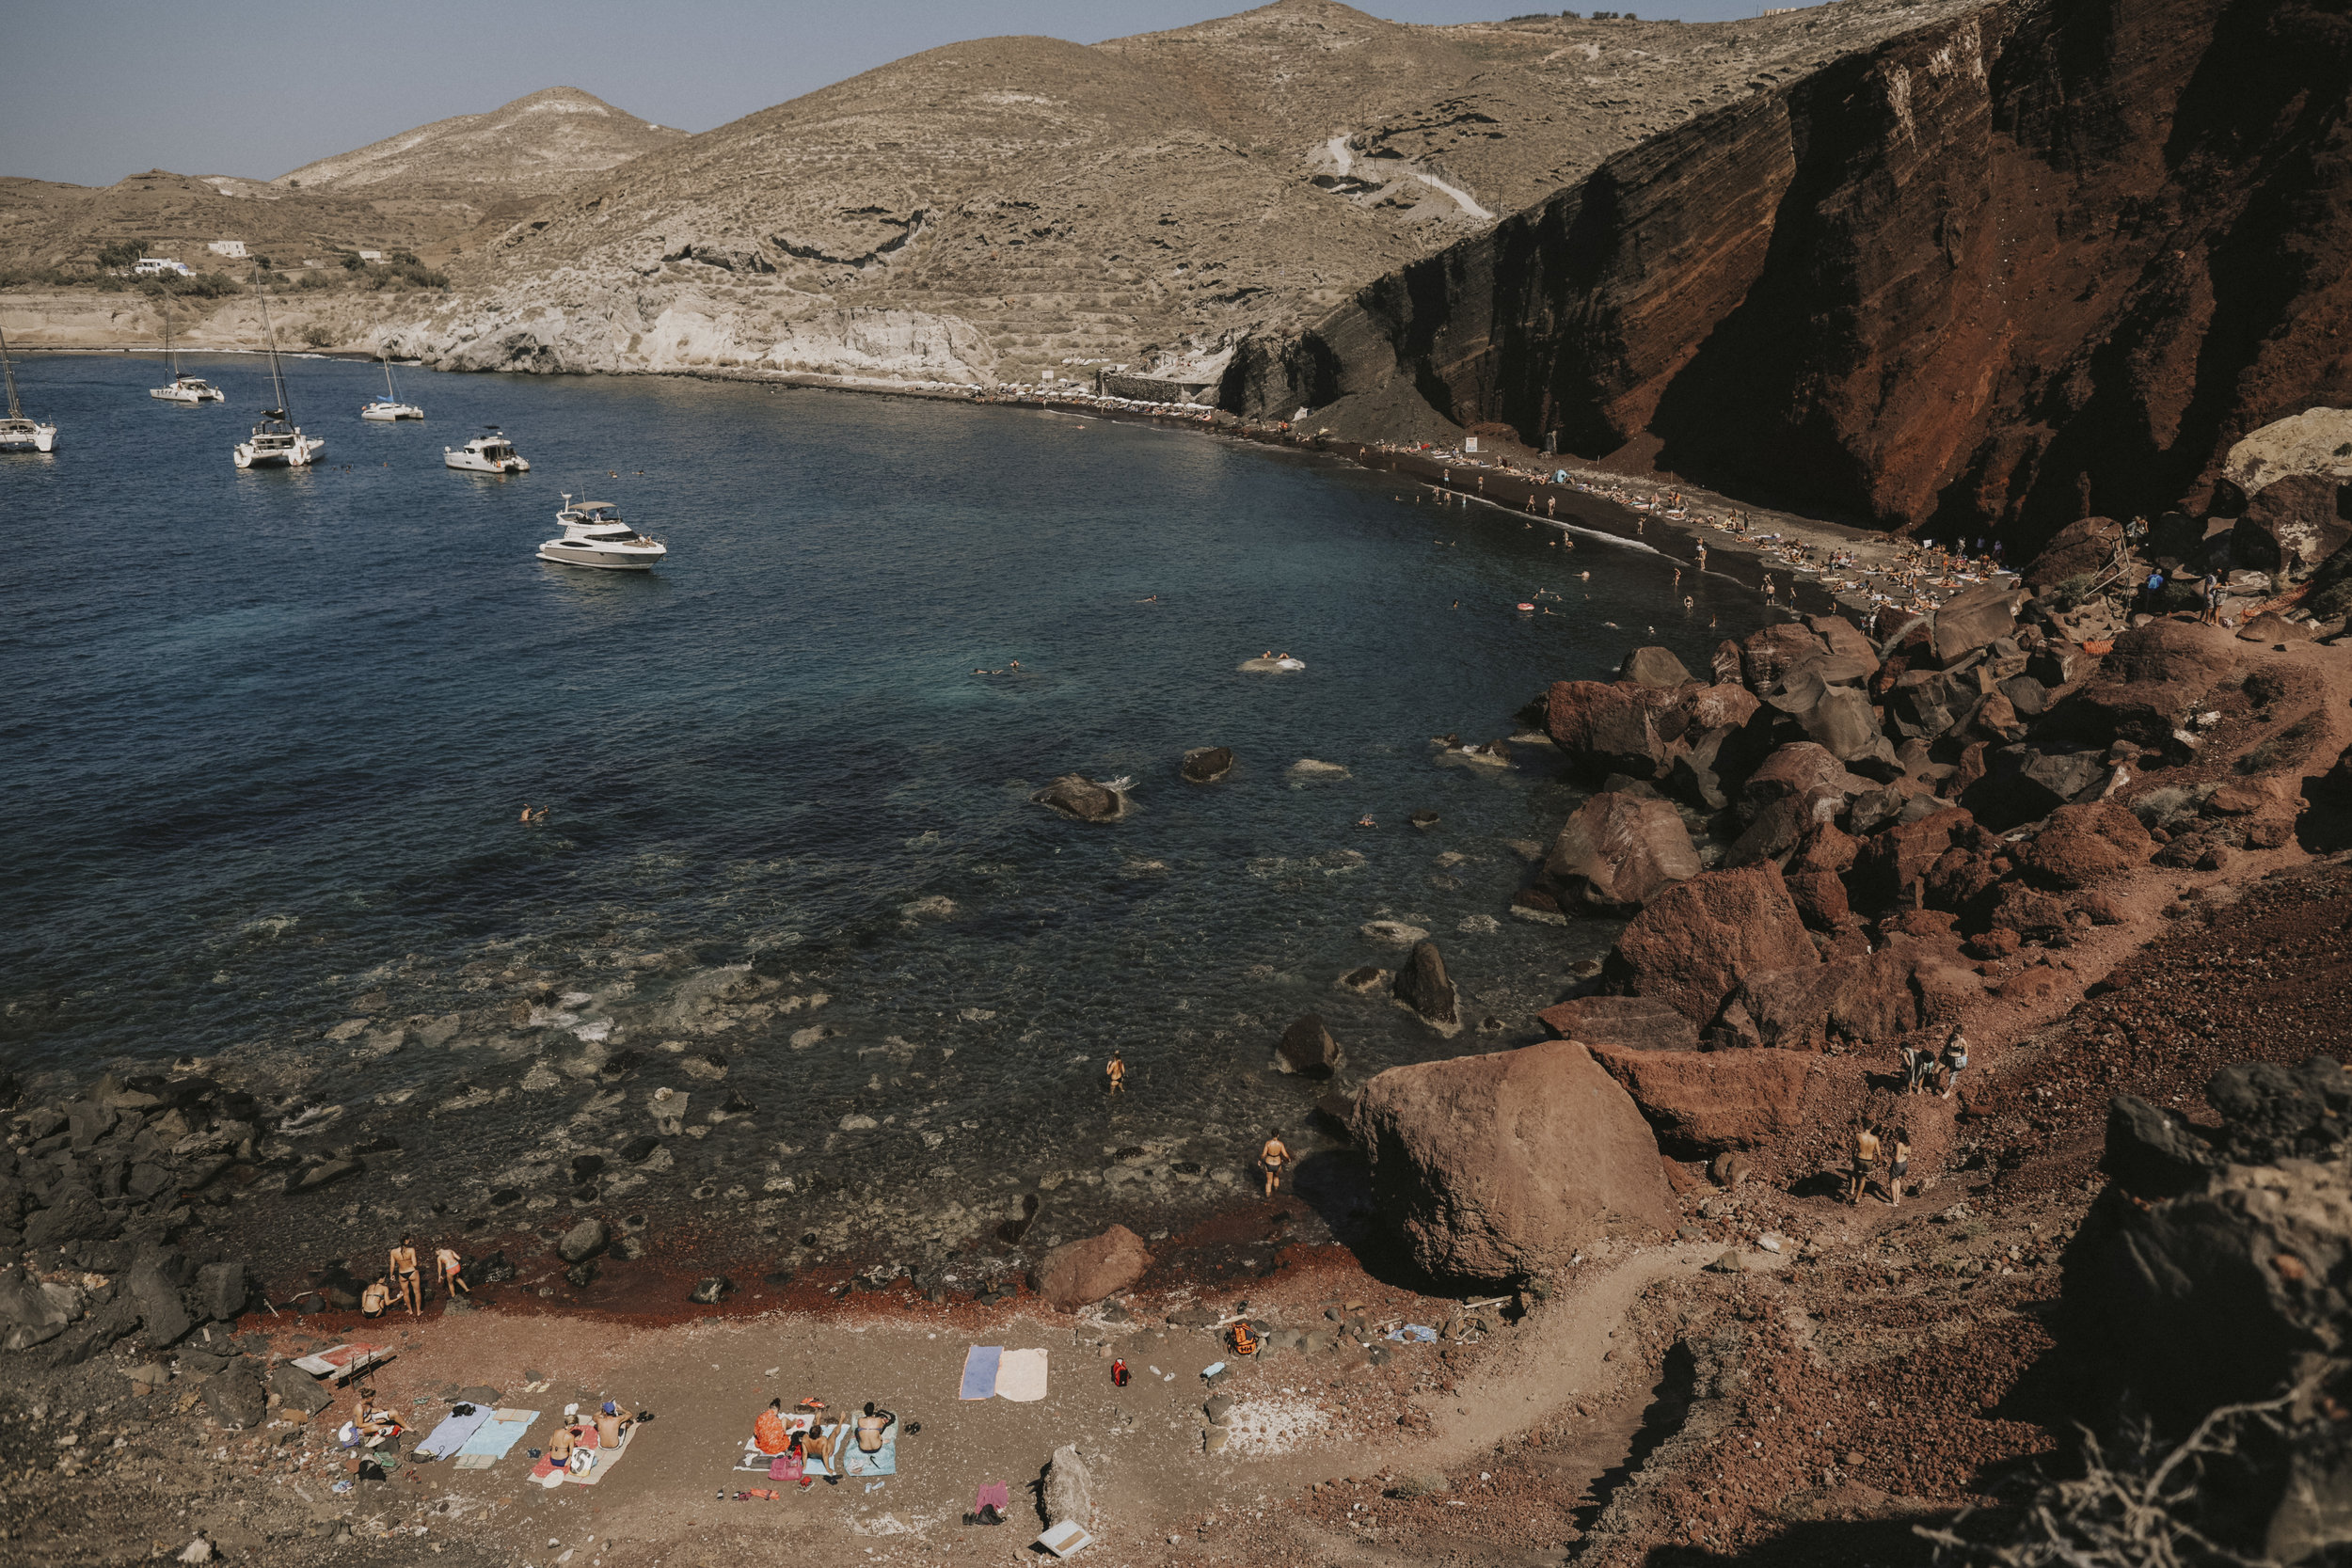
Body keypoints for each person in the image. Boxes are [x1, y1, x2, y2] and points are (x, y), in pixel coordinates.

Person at [1848, 1124, 1881, 1207]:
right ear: (1871, 1127)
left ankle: (1852, 1189)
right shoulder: (1874, 1139)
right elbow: (1879, 1154)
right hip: (1869, 1160)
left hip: (1859, 1157)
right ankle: (1857, 1197)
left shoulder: (1858, 1136)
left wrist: (1853, 1157)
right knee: (1863, 1179)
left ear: (1863, 1126)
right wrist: (1878, 1162)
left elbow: (1853, 1149)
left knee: (1854, 1173)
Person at [389, 1235, 421, 1315]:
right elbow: (414, 1264)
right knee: (417, 1292)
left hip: (402, 1274)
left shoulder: (393, 1252)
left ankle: (410, 1311)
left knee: (405, 1293)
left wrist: (391, 1275)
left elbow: (392, 1266)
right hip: (412, 1272)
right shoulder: (411, 1250)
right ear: (406, 1241)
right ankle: (418, 1311)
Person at [1941, 1026, 1969, 1101]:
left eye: (1956, 1035)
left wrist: (1962, 1062)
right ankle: (1935, 1085)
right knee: (1937, 1071)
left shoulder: (1963, 1042)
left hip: (1956, 1060)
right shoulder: (1951, 1037)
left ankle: (1948, 1091)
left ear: (1961, 1034)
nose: (1954, 1036)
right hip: (1947, 1057)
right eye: (1954, 1034)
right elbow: (1946, 1045)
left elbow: (1966, 1053)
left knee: (1952, 1076)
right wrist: (1941, 1054)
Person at [1259, 1133, 1291, 1199]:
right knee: (1276, 1177)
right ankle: (1276, 1191)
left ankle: (1268, 1197)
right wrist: (1288, 1159)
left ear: (1271, 1135)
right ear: (1278, 1135)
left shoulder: (1268, 1143)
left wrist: (1260, 1160)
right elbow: (1285, 1154)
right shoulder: (1280, 1144)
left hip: (1269, 1163)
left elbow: (1264, 1154)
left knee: (1269, 1181)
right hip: (1277, 1163)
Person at [1886, 1132, 1912, 1207]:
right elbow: (1909, 1153)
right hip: (1904, 1163)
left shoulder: (1899, 1144)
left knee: (1892, 1182)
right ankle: (1897, 1199)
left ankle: (1893, 1202)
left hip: (1898, 1165)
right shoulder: (1907, 1144)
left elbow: (1897, 1158)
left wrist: (1890, 1154)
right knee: (1898, 1180)